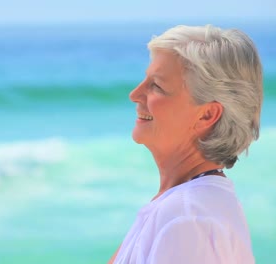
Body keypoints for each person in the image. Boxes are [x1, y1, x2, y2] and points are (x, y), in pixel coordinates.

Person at [109, 25, 262, 264]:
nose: (135, 94)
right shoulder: (186, 205)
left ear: (206, 115)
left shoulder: (187, 219)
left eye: (156, 86)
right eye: (145, 80)